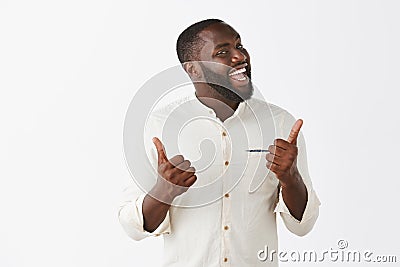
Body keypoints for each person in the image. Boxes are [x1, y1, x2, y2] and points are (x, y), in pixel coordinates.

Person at [119, 19, 321, 266]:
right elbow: (132, 226)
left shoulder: (280, 124)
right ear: (193, 68)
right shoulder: (160, 126)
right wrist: (164, 191)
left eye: (240, 46)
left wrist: (290, 178)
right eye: (223, 52)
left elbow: (303, 225)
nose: (239, 56)